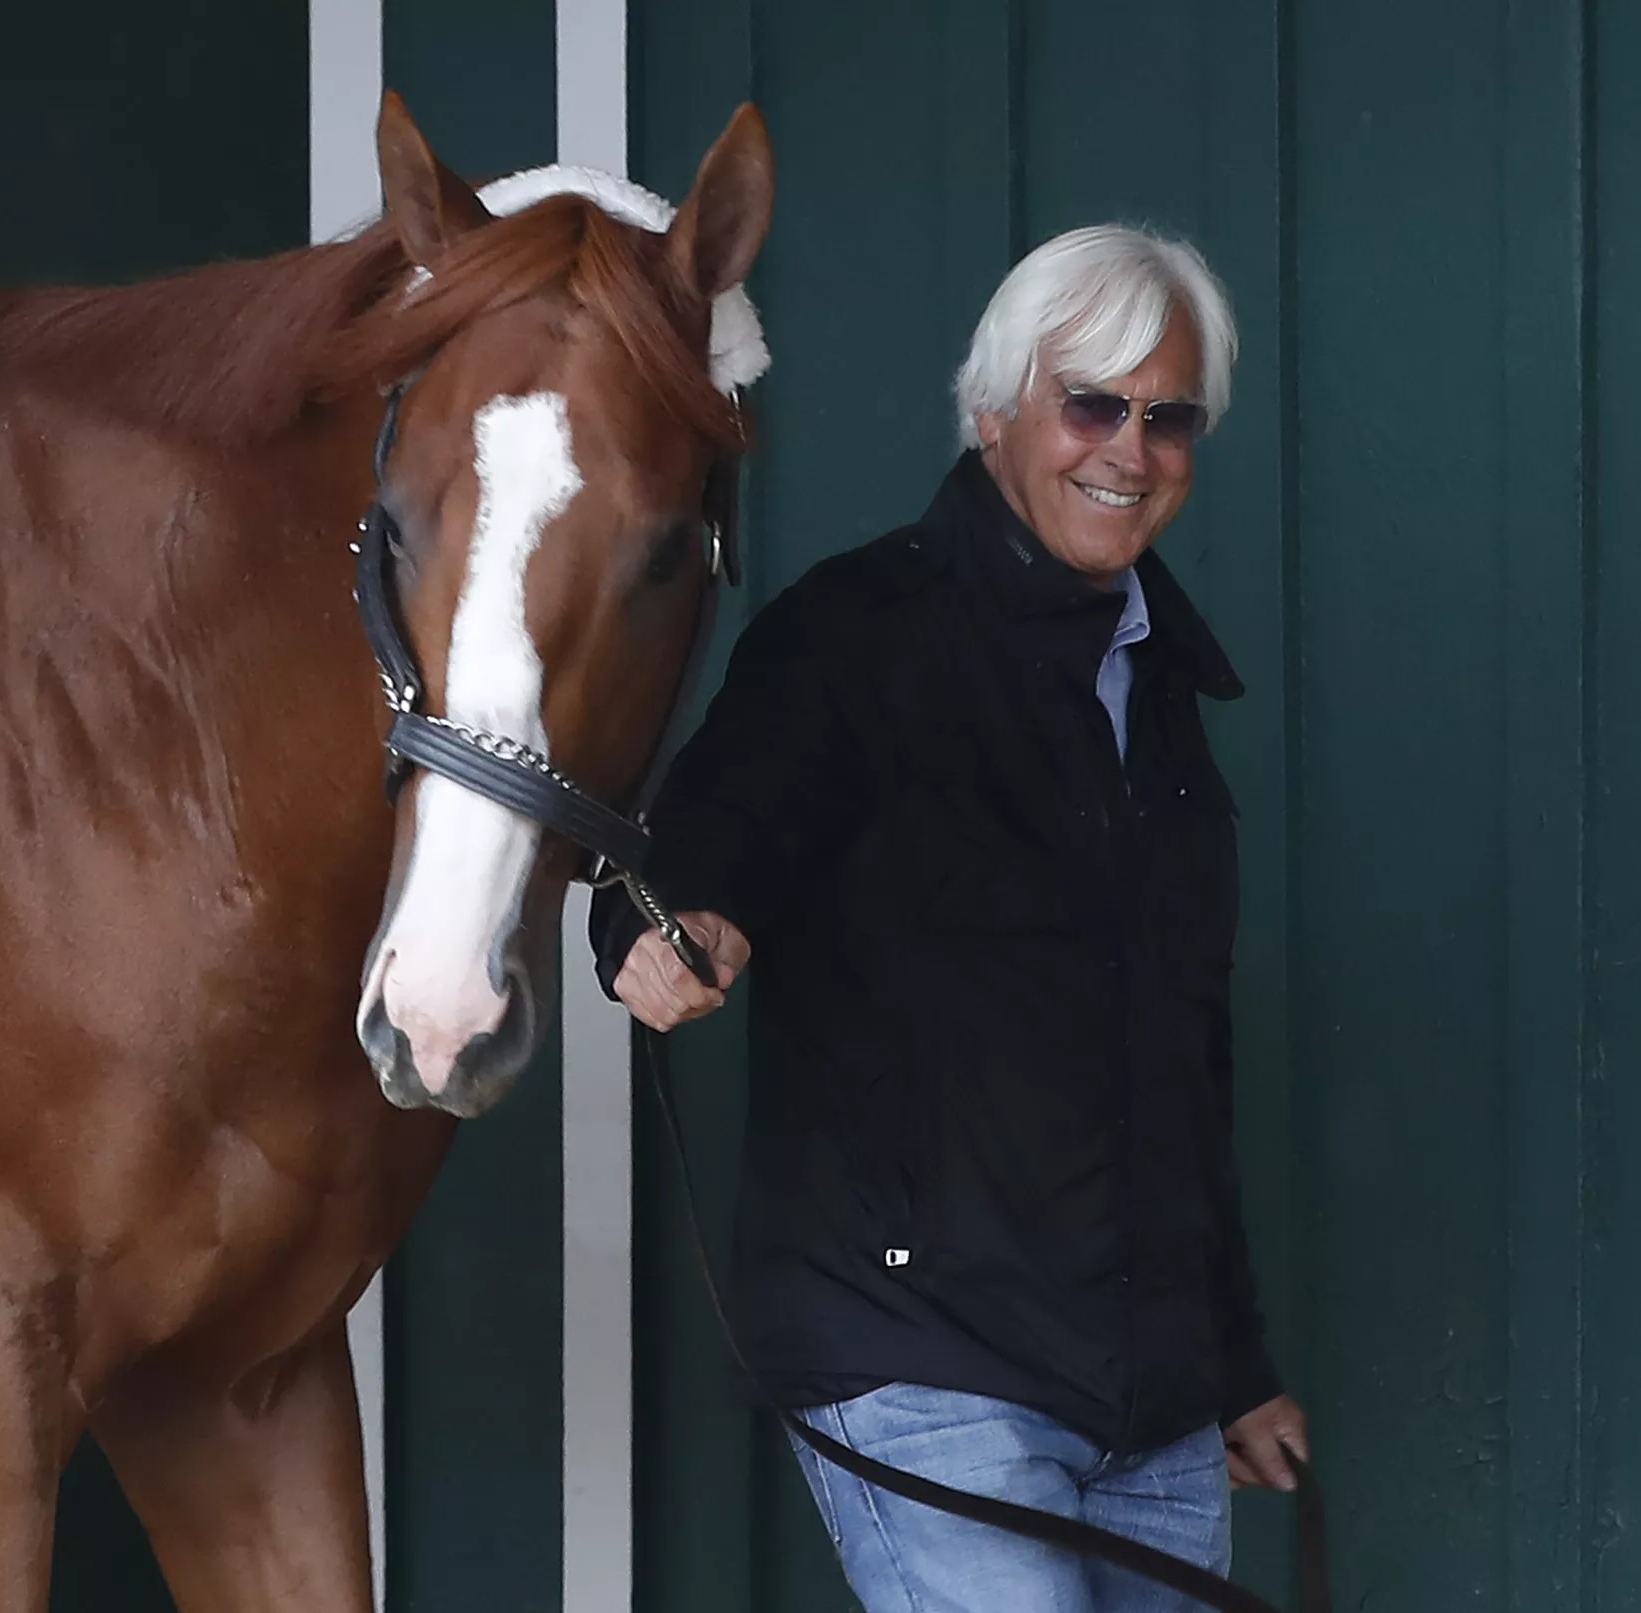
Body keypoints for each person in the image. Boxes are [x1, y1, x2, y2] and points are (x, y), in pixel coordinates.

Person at [591, 224, 1309, 1612]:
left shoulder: (1160, 688)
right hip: (923, 1347)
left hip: (1145, 1391)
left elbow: (1177, 1061)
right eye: (1090, 402)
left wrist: (1232, 1358)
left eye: (1169, 417)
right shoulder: (855, 633)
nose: (1130, 447)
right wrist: (672, 929)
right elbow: (711, 836)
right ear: (994, 411)